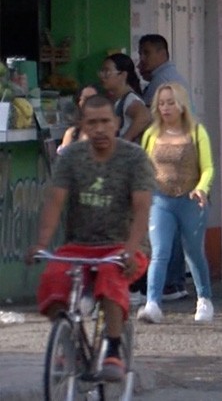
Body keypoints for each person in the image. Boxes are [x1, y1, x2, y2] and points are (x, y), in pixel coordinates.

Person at [24, 94, 153, 383]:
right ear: (83, 124)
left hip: (123, 247)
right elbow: (55, 201)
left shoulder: (134, 158)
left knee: (110, 277)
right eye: (92, 122)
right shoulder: (72, 157)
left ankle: (114, 350)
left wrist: (131, 250)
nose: (99, 129)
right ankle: (68, 344)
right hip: (79, 245)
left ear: (116, 123)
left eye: (105, 122)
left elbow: (142, 208)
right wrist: (42, 244)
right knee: (53, 278)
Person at [137, 82, 216, 325]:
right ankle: (153, 303)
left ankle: (204, 298)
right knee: (160, 252)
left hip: (190, 199)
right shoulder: (151, 134)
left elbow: (208, 167)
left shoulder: (196, 131)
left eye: (171, 102)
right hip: (160, 199)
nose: (166, 108)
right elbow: (143, 166)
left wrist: (202, 189)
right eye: (161, 103)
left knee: (193, 251)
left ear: (181, 105)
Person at [136, 34, 190, 302]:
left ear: (162, 53)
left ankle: (171, 281)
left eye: (146, 53)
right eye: (140, 53)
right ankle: (173, 280)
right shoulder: (167, 80)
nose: (142, 60)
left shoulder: (162, 83)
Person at [99, 53, 151, 143]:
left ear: (123, 75)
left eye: (107, 72)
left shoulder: (130, 100)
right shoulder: (115, 99)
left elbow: (145, 116)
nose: (102, 76)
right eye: (102, 71)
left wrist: (126, 139)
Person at [58, 84, 101, 153]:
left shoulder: (109, 132)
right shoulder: (72, 134)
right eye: (85, 99)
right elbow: (62, 161)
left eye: (93, 99)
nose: (89, 103)